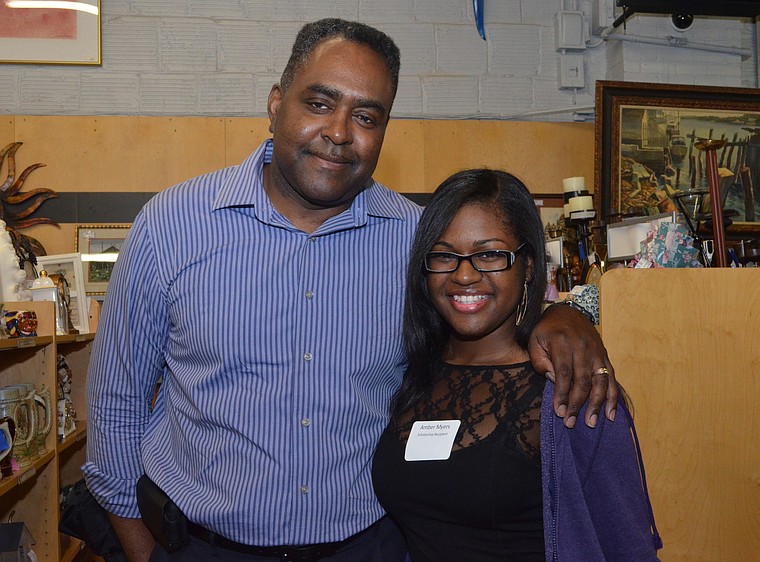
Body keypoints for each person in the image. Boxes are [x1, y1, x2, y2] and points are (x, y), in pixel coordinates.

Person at [84, 18, 618, 562]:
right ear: (275, 104)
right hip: (202, 547)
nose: (339, 132)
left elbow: (487, 305)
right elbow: (116, 404)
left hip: (368, 547)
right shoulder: (172, 226)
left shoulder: (417, 240)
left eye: (366, 116)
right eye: (319, 103)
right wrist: (142, 553)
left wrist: (565, 316)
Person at [371, 169, 662, 561]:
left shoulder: (572, 385)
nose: (464, 274)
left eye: (489, 254)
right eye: (444, 255)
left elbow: (626, 545)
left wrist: (566, 310)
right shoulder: (410, 374)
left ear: (528, 265)